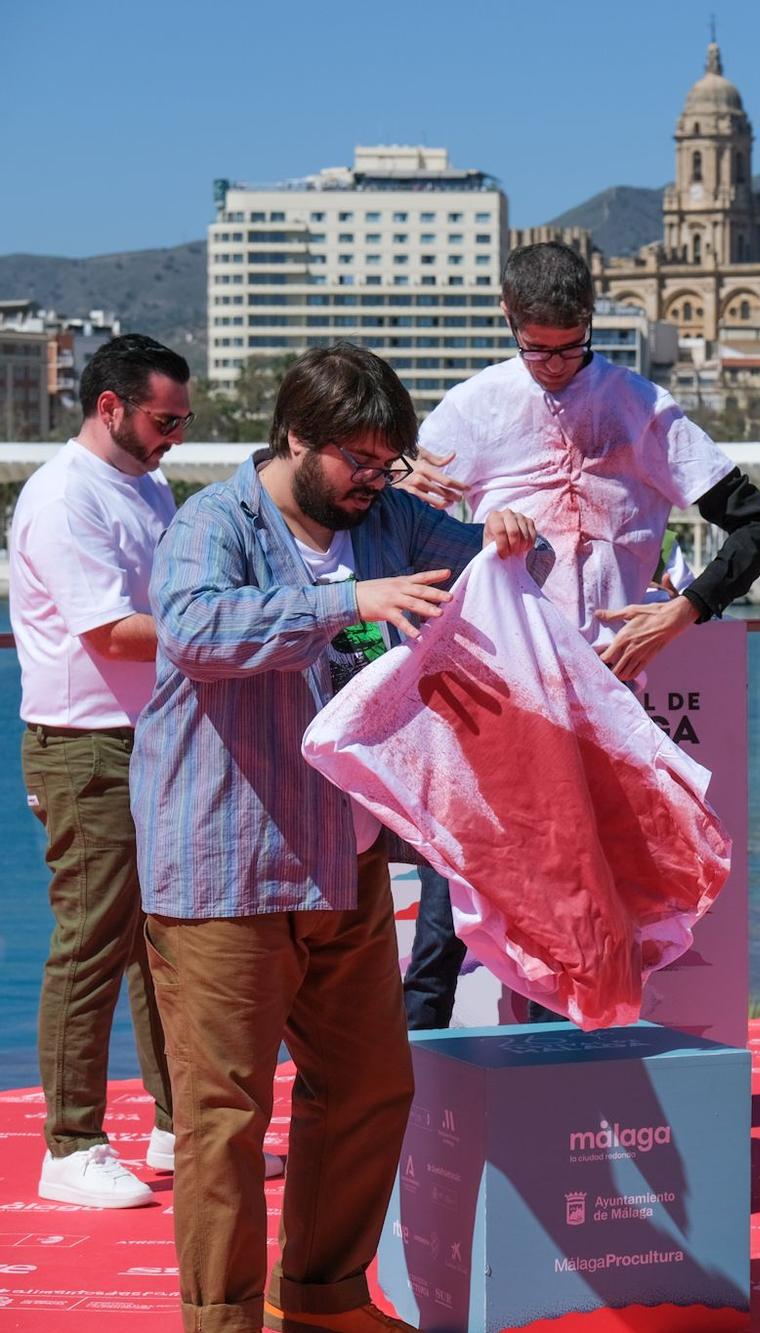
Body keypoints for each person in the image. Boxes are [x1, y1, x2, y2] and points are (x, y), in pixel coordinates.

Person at [133, 343, 545, 1333]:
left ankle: (319, 1298)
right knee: (225, 1120)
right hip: (223, 870)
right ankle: (221, 1321)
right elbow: (192, 629)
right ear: (295, 438)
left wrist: (514, 540)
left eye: (387, 460)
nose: (374, 480)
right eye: (356, 460)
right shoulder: (212, 523)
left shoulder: (387, 517)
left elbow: (479, 560)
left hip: (344, 859)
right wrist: (344, 602)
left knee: (368, 1086)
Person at [397, 241, 760, 1027]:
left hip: (602, 706)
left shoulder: (642, 407)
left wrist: (684, 609)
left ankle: (562, 1112)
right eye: (537, 348)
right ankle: (412, 1133)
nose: (555, 365)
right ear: (509, 320)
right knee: (442, 931)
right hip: (490, 703)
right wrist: (403, 487)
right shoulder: (471, 409)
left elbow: (758, 524)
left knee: (583, 926)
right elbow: (397, 533)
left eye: (573, 346)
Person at [12, 335, 197, 1206]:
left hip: (149, 734)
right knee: (91, 941)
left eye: (184, 422)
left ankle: (175, 1125)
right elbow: (113, 631)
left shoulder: (148, 484)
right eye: (166, 420)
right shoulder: (62, 498)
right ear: (111, 407)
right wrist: (235, 628)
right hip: (85, 743)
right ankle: (71, 1143)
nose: (176, 437)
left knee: (161, 941)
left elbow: (164, 608)